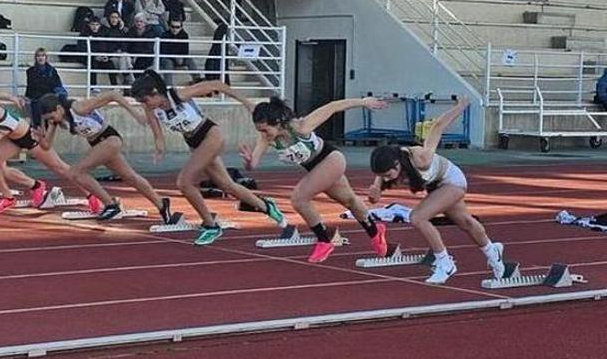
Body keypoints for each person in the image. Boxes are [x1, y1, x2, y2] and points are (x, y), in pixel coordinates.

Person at [130, 70, 287, 246]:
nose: (144, 104)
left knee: (184, 182)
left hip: (210, 134)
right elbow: (156, 129)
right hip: (194, 142)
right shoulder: (151, 107)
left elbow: (217, 85)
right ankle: (267, 207)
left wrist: (247, 103)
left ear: (155, 92)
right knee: (227, 185)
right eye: (140, 102)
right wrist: (159, 145)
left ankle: (211, 226)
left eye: (145, 100)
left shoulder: (180, 95)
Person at [369, 98, 505, 284]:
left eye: (387, 175)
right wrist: (377, 186)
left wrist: (459, 107)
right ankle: (492, 250)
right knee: (466, 222)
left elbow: (438, 126)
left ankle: (445, 263)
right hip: (437, 185)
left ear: (397, 163)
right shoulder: (392, 160)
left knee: (418, 217)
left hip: (452, 180)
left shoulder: (421, 157)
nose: (386, 179)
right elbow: (382, 170)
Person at [241, 97, 390, 263]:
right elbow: (253, 164)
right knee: (349, 201)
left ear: (277, 122)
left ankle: (324, 240)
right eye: (259, 131)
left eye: (264, 130)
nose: (262, 134)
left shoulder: (300, 126)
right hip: (314, 167)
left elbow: (333, 106)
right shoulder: (266, 139)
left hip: (330, 159)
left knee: (299, 198)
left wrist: (364, 102)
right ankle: (375, 231)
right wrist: (248, 162)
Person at [38, 92, 181, 223]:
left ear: (58, 108)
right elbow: (46, 147)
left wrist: (136, 114)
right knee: (130, 177)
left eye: (51, 117)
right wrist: (40, 136)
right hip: (99, 144)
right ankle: (162, 205)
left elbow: (113, 95)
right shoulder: (56, 120)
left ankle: (111, 204)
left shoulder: (78, 108)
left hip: (109, 139)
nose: (51, 120)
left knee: (75, 172)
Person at [0, 96, 100, 214]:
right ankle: (8, 198)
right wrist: (11, 97)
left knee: (60, 167)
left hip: (29, 137)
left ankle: (91, 195)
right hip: (12, 138)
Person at [25, 47, 67, 127]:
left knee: (52, 104)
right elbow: (32, 86)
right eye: (38, 56)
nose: (40, 58)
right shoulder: (30, 71)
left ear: (46, 57)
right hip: (36, 97)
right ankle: (37, 129)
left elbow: (56, 84)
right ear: (36, 58)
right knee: (37, 105)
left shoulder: (52, 70)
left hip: (48, 97)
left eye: (43, 56)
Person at [80, 18, 119, 88]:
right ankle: (93, 87)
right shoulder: (84, 34)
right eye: (92, 24)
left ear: (100, 25)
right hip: (88, 58)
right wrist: (94, 56)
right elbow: (82, 48)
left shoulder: (105, 33)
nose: (95, 27)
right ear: (89, 25)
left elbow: (110, 47)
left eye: (97, 25)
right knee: (93, 64)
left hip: (103, 58)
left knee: (111, 65)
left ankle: (115, 87)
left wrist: (107, 56)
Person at [160, 19, 200, 85]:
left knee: (190, 60)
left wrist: (181, 57)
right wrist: (175, 57)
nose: (175, 29)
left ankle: (197, 81)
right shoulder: (164, 35)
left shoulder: (184, 35)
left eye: (177, 27)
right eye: (173, 26)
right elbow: (164, 51)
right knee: (167, 63)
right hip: (168, 58)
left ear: (181, 27)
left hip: (180, 57)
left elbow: (185, 50)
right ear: (169, 26)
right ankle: (168, 86)